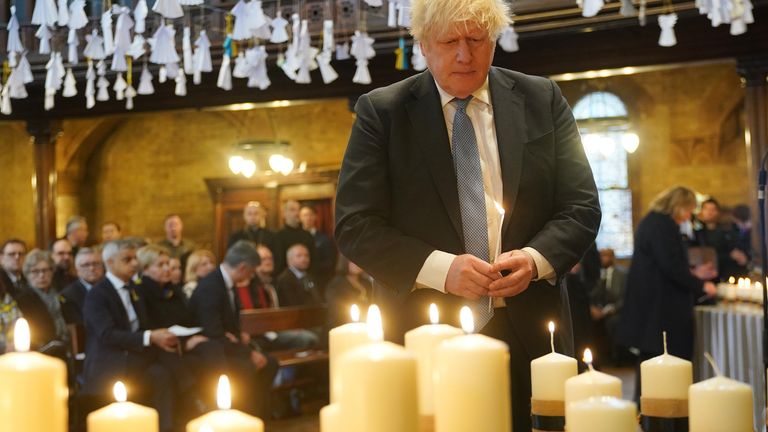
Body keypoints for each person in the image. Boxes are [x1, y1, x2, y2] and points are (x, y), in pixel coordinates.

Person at [334, 0, 601, 429]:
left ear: (494, 41)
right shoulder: (381, 112)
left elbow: (582, 205)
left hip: (531, 328)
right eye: (450, 41)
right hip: (425, 328)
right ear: (422, 45)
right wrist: (442, 269)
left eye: (477, 40)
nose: (465, 55)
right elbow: (355, 225)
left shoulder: (541, 98)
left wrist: (535, 260)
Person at [616, 186, 717, 401]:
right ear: (678, 205)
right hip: (660, 311)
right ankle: (662, 414)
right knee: (661, 364)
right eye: (689, 210)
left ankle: (652, 413)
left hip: (653, 308)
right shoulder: (663, 225)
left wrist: (693, 273)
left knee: (652, 366)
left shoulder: (654, 222)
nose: (689, 215)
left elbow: (665, 264)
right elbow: (670, 266)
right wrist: (701, 285)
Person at [82, 240, 180, 431]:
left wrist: (162, 335)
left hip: (134, 356)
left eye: (135, 258)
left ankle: (166, 427)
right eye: (127, 259)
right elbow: (107, 335)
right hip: (109, 360)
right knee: (167, 362)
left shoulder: (135, 289)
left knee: (164, 371)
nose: (135, 264)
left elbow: (144, 325)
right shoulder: (98, 294)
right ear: (110, 263)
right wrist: (151, 337)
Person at [188, 240, 278, 418]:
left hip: (227, 343)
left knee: (270, 363)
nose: (251, 277)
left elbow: (232, 326)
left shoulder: (226, 282)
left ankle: (256, 415)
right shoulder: (211, 286)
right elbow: (213, 331)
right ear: (243, 268)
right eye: (251, 272)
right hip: (210, 347)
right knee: (245, 367)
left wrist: (243, 341)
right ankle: (241, 415)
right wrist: (248, 353)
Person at [22, 249, 69, 346]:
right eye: (35, 271)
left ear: (52, 271)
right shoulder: (23, 299)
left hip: (65, 344)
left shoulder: (62, 294)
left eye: (45, 270)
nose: (42, 275)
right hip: (40, 348)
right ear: (27, 274)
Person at [590, 248, 627, 365]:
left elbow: (625, 297)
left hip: (617, 311)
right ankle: (597, 358)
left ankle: (615, 358)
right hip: (600, 309)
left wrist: (609, 310)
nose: (603, 259)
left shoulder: (622, 274)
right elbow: (593, 295)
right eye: (601, 256)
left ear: (612, 258)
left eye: (605, 256)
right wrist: (593, 307)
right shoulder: (598, 274)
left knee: (612, 323)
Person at [61, 247, 105, 326]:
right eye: (86, 265)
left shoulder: (110, 288)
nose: (91, 268)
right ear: (77, 270)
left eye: (95, 264)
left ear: (102, 267)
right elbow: (78, 327)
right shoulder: (69, 295)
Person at [325, 255, 372, 329]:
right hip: (342, 326)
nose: (357, 264)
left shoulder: (366, 283)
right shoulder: (336, 284)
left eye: (359, 261)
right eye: (353, 261)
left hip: (365, 324)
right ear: (345, 263)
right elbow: (336, 309)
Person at [300, 205, 337, 293]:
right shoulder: (295, 238)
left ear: (315, 217)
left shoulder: (324, 239)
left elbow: (330, 262)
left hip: (319, 280)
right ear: (300, 217)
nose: (308, 218)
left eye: (310, 215)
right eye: (305, 215)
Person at [275, 200, 315, 274]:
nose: (296, 213)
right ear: (284, 213)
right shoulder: (278, 236)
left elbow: (313, 260)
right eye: (292, 210)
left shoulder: (307, 235)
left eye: (298, 210)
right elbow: (278, 262)